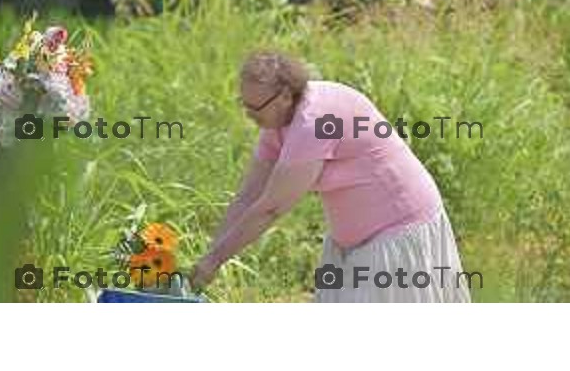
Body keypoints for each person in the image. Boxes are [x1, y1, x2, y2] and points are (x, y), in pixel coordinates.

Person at [191, 51, 470, 302]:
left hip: (397, 230)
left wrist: (215, 261)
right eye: (244, 104)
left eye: (255, 107)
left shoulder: (314, 123)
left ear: (286, 96)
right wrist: (209, 256)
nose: (248, 115)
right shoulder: (276, 120)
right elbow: (248, 196)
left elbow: (272, 208)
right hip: (353, 239)